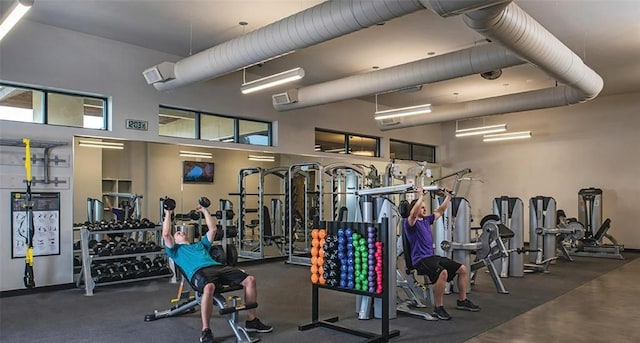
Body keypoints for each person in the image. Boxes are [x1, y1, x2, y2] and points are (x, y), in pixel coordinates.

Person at [162, 204, 272, 343]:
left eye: (182, 232)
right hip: (198, 272)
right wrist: (168, 213)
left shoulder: (200, 245)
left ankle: (252, 321)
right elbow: (166, 233)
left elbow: (213, 229)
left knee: (250, 280)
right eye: (177, 233)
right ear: (174, 240)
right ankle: (206, 330)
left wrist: (204, 210)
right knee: (209, 287)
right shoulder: (175, 251)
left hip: (218, 267)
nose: (180, 232)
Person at [404, 189, 480, 320]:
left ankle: (462, 300)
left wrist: (448, 197)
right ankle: (438, 308)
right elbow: (413, 213)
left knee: (462, 269)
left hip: (431, 257)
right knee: (442, 272)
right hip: (420, 260)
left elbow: (440, 211)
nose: (424, 210)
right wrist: (421, 195)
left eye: (425, 208)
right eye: (422, 208)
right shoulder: (410, 223)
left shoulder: (426, 220)